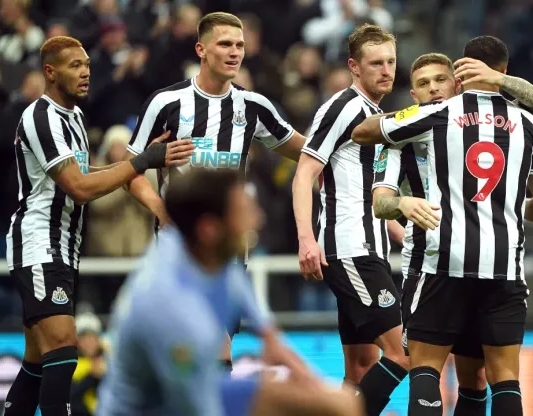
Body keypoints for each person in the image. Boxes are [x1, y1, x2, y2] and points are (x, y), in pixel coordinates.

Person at [352, 36, 533, 416]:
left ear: (458, 77)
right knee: (502, 378)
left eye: (439, 80)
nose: (433, 89)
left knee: (443, 371)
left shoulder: (438, 116)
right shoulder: (530, 125)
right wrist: (402, 202)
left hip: (444, 263)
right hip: (495, 266)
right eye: (424, 83)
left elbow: (363, 131)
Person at [3, 36, 192, 416]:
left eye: (87, 64)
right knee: (63, 346)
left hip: (64, 246)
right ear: (50, 72)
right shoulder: (41, 117)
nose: (86, 72)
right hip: (40, 242)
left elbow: (87, 173)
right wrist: (140, 163)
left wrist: (143, 162)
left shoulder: (74, 116)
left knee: (38, 361)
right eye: (75, 65)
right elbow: (78, 187)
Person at [123, 12, 308, 368]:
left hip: (229, 249)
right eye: (225, 44)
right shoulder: (166, 103)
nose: (235, 52)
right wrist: (162, 210)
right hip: (178, 247)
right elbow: (129, 171)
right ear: (201, 50)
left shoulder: (253, 106)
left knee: (219, 346)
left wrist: (353, 143)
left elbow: (307, 150)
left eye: (239, 45)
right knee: (188, 348)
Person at [97, 168, 364, 416]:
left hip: (198, 389)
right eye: (244, 211)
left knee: (341, 403)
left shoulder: (211, 254)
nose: (258, 220)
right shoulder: (166, 303)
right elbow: (194, 407)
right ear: (210, 229)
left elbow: (270, 338)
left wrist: (311, 385)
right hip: (164, 407)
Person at [292, 23, 407, 416]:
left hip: (368, 247)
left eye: (390, 61)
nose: (386, 70)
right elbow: (304, 173)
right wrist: (306, 239)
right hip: (352, 250)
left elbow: (368, 191)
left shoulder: (376, 115)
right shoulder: (343, 108)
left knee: (361, 366)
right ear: (354, 67)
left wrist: (401, 233)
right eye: (376, 63)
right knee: (404, 351)